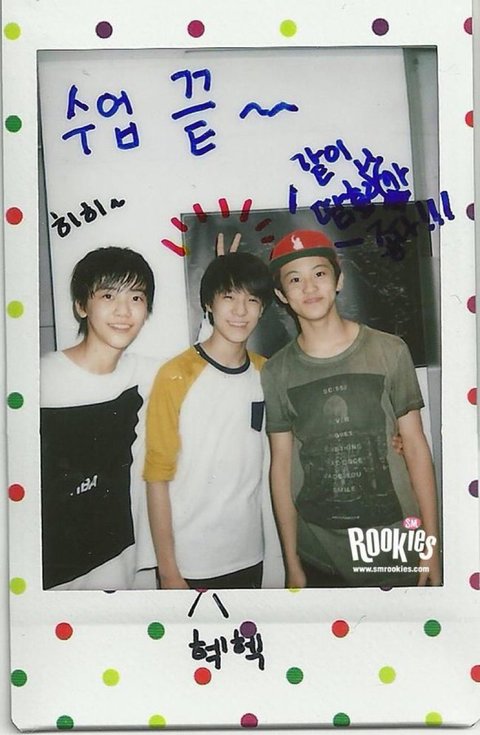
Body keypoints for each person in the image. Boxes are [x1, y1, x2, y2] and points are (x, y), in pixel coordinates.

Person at [261, 229, 441, 588]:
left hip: (395, 547)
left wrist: (431, 545)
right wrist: (292, 561)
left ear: (339, 279)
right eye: (294, 279)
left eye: (319, 273)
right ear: (281, 295)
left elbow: (416, 446)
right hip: (319, 555)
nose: (309, 287)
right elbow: (280, 467)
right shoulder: (276, 371)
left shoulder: (389, 351)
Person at [144, 243, 274, 589]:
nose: (240, 311)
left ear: (262, 308)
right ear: (208, 304)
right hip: (190, 562)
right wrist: (168, 571)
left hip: (250, 555)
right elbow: (157, 476)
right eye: (228, 297)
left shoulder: (268, 373)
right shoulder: (175, 374)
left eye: (252, 300)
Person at [41, 246, 159, 590]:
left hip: (116, 564)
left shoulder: (143, 374)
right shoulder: (39, 380)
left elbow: (202, 366)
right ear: (81, 306)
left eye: (136, 298)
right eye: (108, 295)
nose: (124, 310)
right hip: (51, 577)